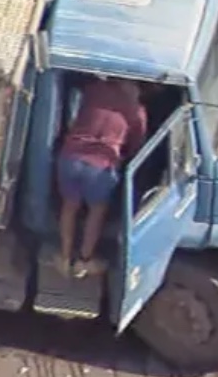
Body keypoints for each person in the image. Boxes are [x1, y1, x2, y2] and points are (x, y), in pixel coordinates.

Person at [55, 76, 148, 278]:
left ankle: (64, 257)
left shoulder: (96, 90)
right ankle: (84, 260)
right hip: (101, 165)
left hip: (70, 156)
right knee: (96, 211)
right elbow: (136, 144)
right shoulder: (136, 111)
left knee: (69, 206)